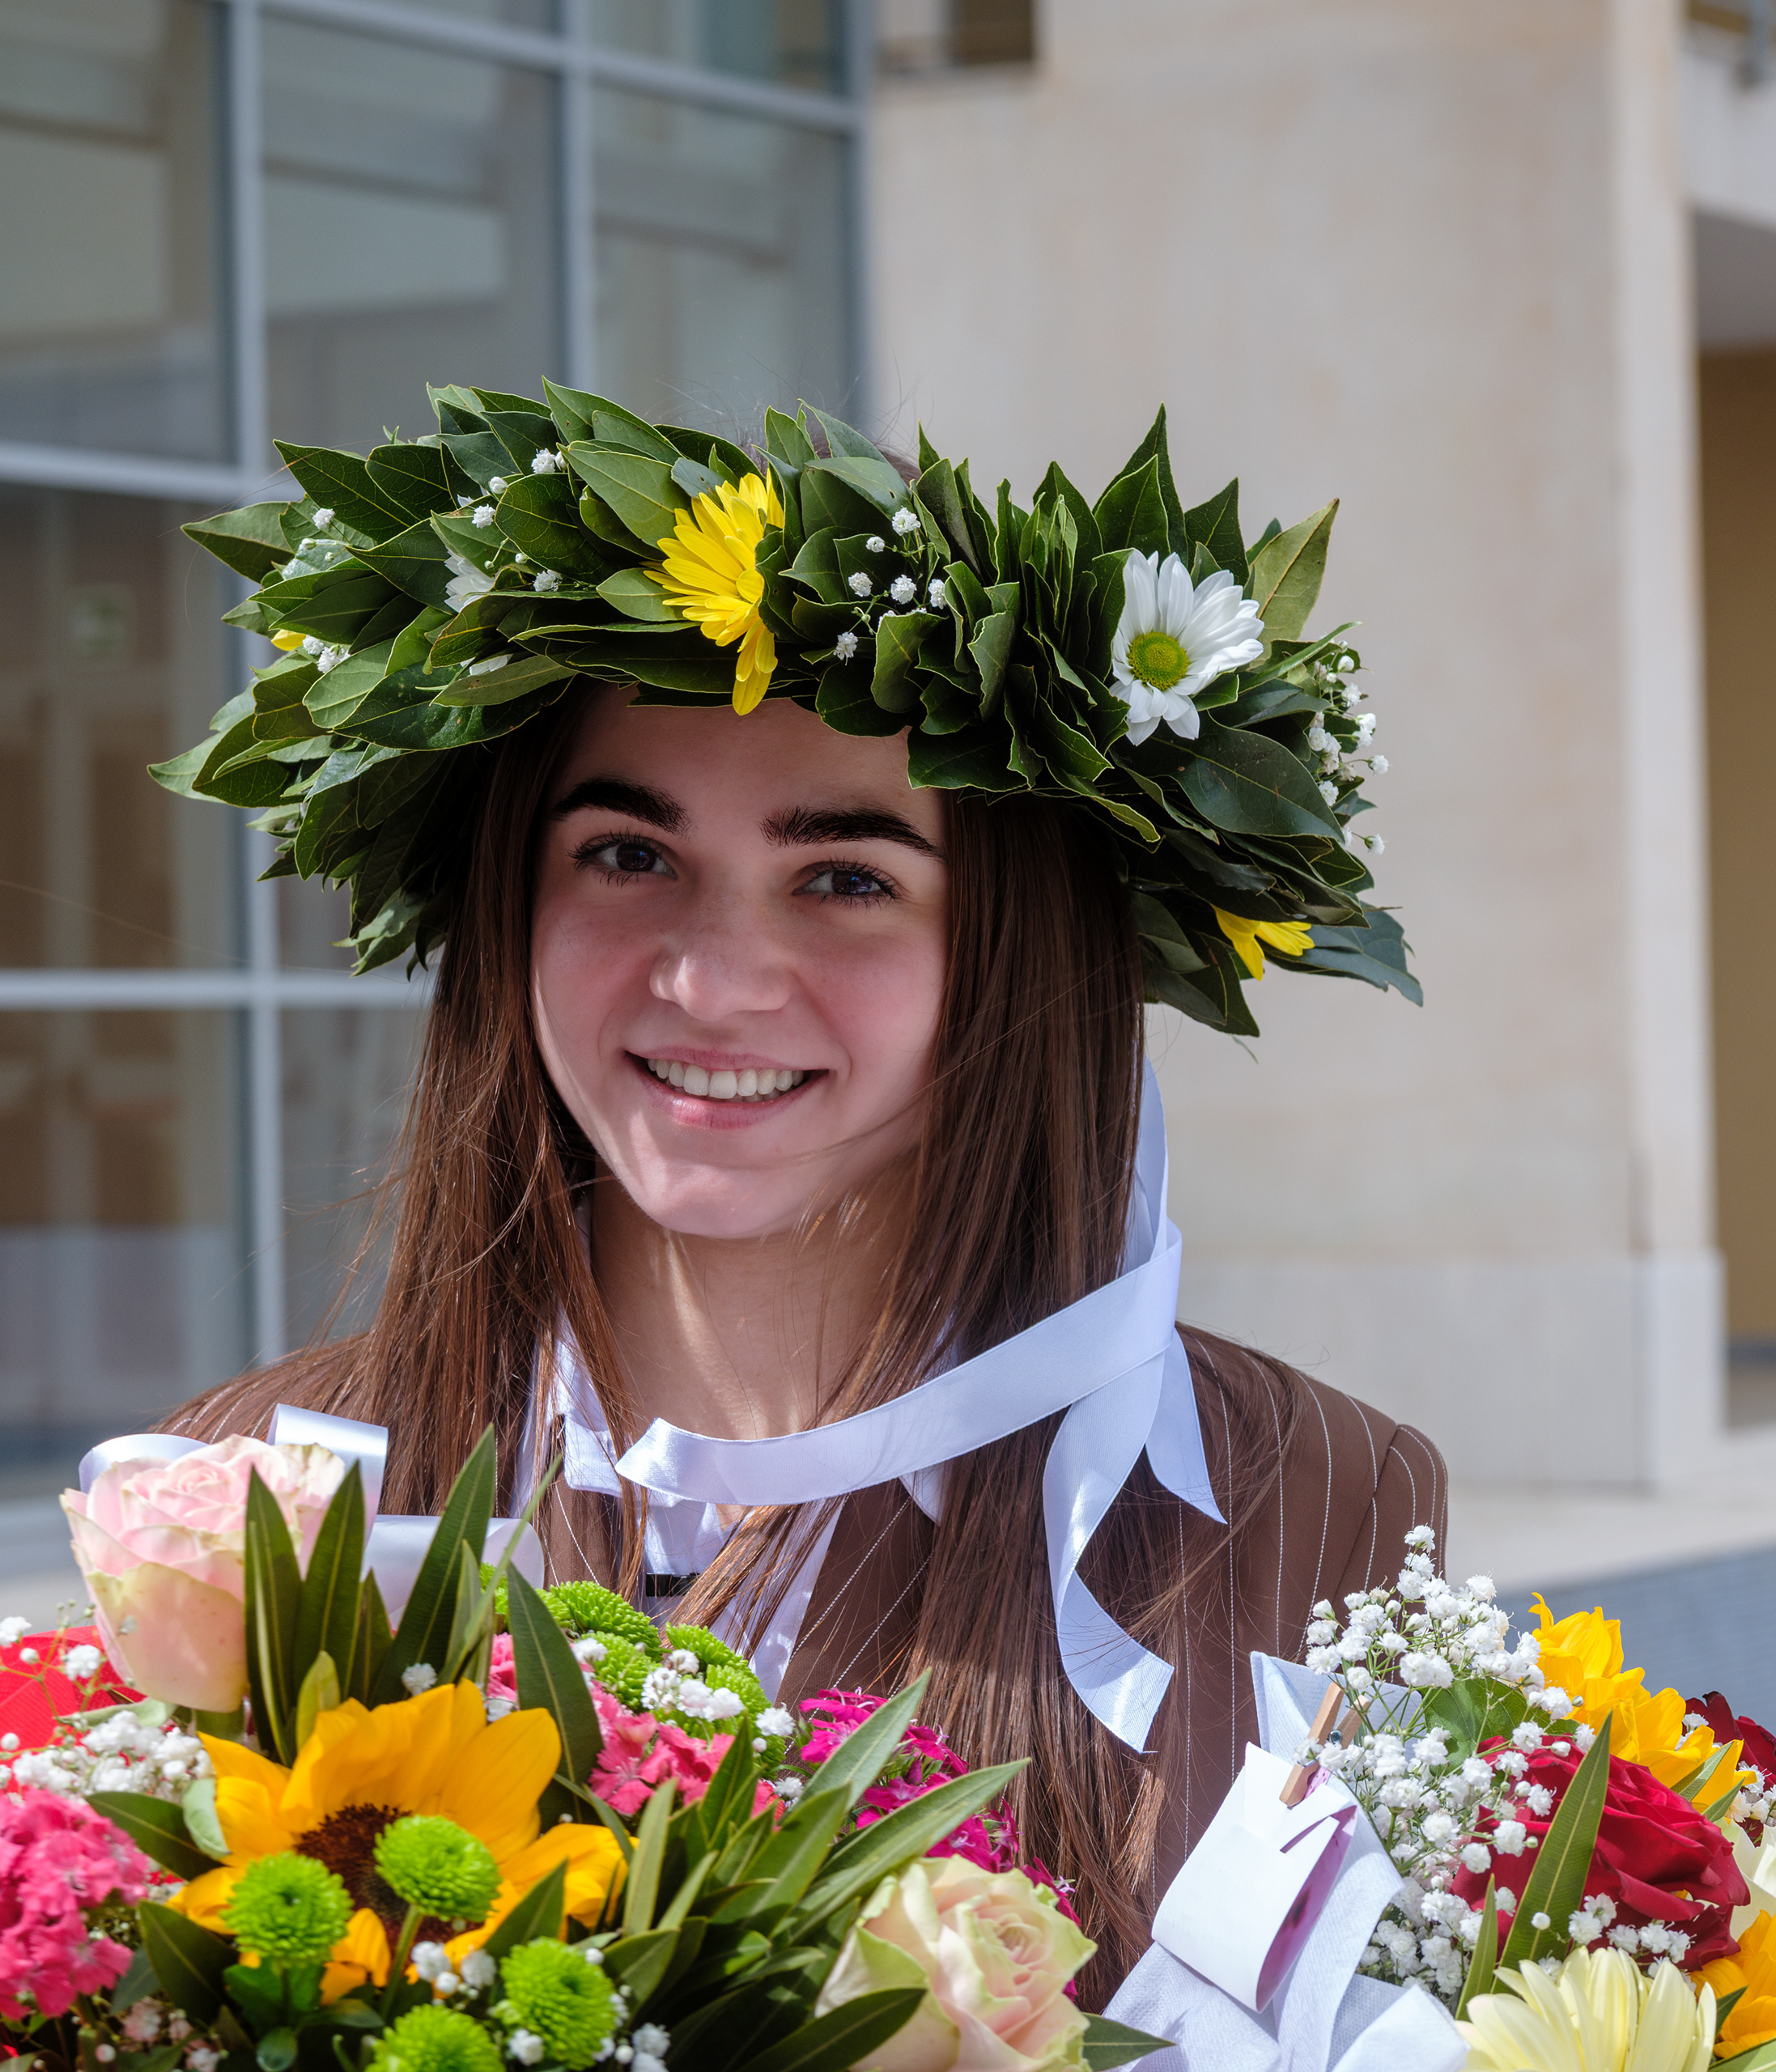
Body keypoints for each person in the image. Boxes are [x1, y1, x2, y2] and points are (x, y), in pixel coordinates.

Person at [138, 387, 1440, 1989]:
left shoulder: (1318, 1489)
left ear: (1010, 949)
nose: (712, 977)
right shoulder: (230, 1494)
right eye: (628, 853)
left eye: (845, 877)